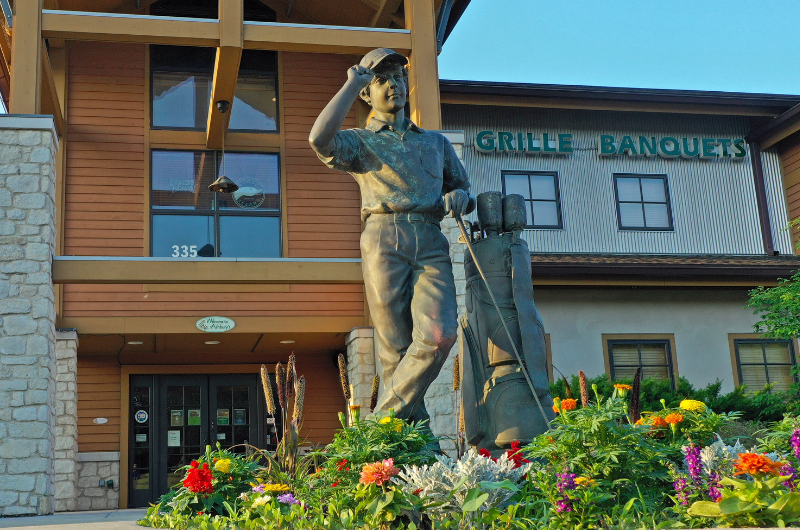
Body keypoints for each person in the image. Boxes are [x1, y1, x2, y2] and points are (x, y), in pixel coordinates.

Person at [309, 48, 474, 433]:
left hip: (430, 237)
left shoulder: (436, 143)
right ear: (367, 92)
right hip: (383, 236)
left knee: (439, 336)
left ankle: (380, 426)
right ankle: (412, 438)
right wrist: (353, 82)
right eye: (381, 80)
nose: (394, 85)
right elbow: (319, 139)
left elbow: (462, 189)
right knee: (394, 349)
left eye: (399, 77)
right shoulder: (359, 141)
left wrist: (460, 197)